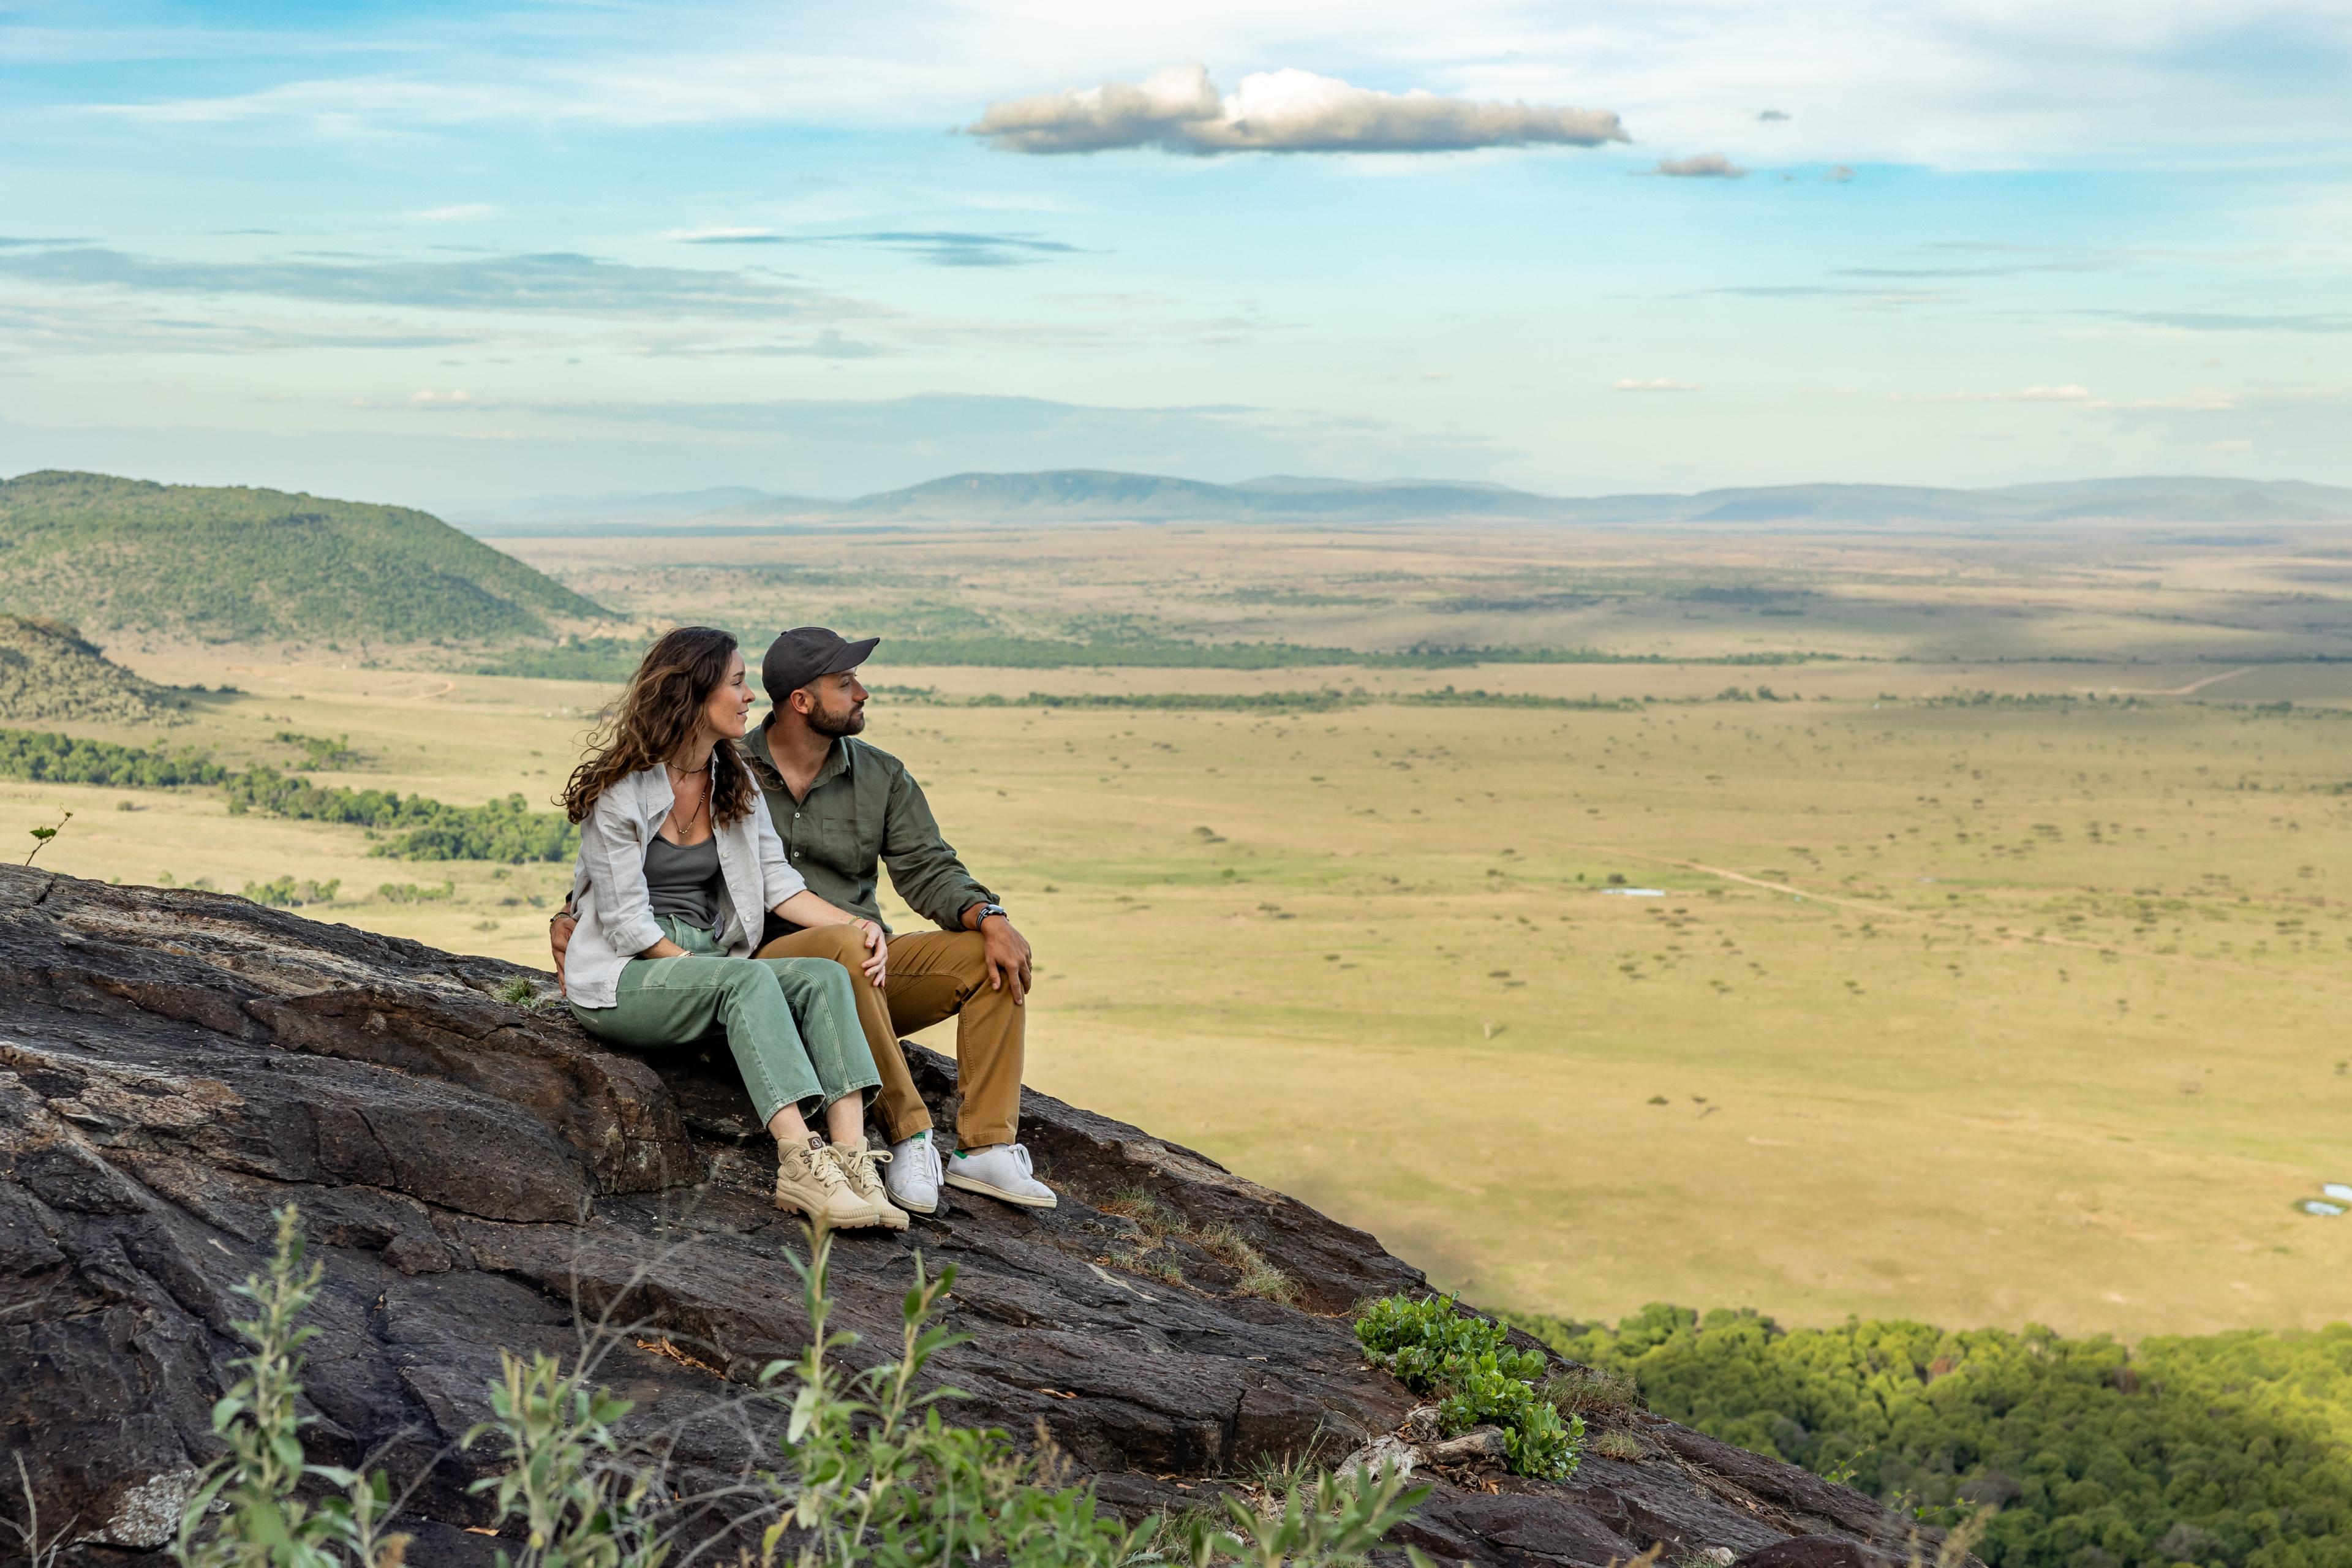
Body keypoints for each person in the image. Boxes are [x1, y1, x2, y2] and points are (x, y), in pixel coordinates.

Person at [552, 625, 1055, 1216]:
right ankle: (892, 1138)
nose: (862, 693)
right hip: (732, 962)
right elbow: (621, 887)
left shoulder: (819, 777)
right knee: (820, 958)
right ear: (802, 701)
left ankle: (950, 1153)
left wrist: (984, 915)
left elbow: (903, 868)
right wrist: (575, 914)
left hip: (831, 969)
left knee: (972, 955)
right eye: (846, 684)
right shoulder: (719, 765)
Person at [554, 625, 908, 1231]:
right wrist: (702, 971)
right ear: (694, 695)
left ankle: (852, 1165)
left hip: (705, 960)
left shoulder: (735, 781)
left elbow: (778, 885)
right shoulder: (622, 792)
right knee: (747, 985)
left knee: (824, 977)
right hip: (626, 973)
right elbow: (623, 922)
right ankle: (800, 1162)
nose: (751, 698)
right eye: (738, 684)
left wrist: (859, 923)